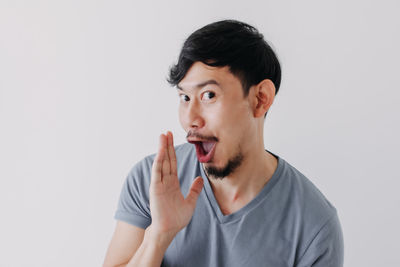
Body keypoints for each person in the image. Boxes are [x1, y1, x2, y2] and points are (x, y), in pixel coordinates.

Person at [103, 20, 344, 267]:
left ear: (261, 99)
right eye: (185, 97)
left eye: (209, 95)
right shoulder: (151, 181)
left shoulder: (314, 225)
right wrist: (158, 237)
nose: (190, 119)